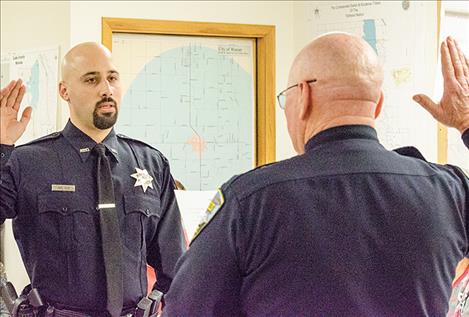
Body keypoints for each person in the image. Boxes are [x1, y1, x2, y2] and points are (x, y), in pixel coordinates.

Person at [162, 34, 469, 316]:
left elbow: (186, 308)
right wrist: (466, 123)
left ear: (304, 95)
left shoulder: (250, 200)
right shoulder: (448, 191)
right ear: (377, 105)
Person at [0, 42, 186, 316]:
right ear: (65, 91)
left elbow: (176, 265)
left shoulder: (151, 163)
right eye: (91, 79)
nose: (106, 89)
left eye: (112, 78)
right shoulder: (28, 162)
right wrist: (2, 148)